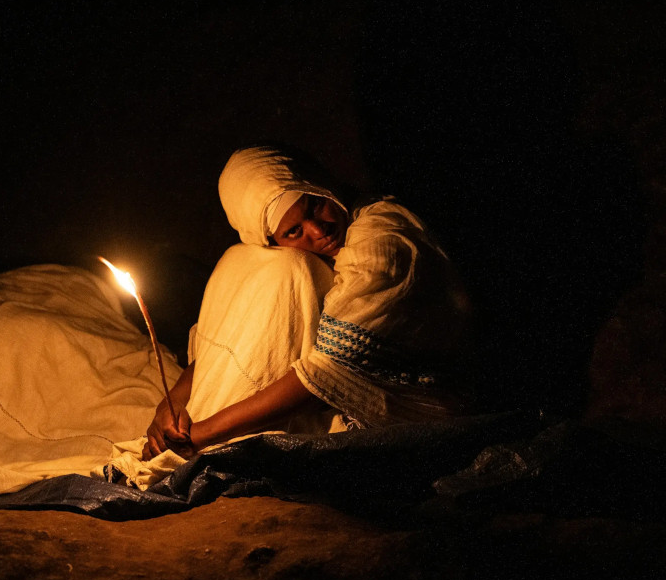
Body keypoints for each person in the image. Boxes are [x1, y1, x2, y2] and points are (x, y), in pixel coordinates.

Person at [144, 145, 472, 460]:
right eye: (294, 231)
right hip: (315, 388)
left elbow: (327, 371)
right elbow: (234, 333)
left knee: (289, 270)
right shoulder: (278, 256)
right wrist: (172, 403)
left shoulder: (382, 241)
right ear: (271, 239)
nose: (319, 230)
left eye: (314, 206)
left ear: (320, 185)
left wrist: (201, 435)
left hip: (402, 405)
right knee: (240, 262)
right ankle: (182, 431)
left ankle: (185, 445)